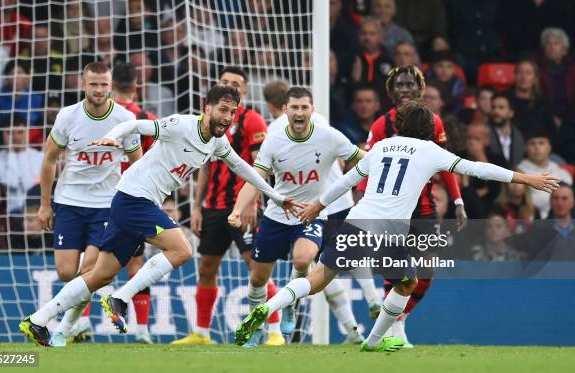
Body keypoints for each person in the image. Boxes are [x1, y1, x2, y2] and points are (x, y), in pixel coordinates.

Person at [235, 100, 559, 352]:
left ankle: (268, 306)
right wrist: (525, 177)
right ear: (428, 129)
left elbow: (348, 179)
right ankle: (374, 341)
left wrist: (318, 205)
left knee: (319, 276)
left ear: (400, 125)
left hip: (358, 220)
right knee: (407, 283)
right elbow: (477, 169)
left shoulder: (381, 147)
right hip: (390, 230)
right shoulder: (431, 150)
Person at [19, 85, 300, 347]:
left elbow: (244, 168)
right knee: (182, 250)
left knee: (100, 275)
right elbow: (136, 125)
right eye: (222, 110)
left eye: (232, 112)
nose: (227, 117)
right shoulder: (181, 125)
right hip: (133, 198)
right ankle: (120, 298)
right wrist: (114, 136)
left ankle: (37, 321)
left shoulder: (217, 143)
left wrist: (276, 196)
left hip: (132, 201)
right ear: (208, 108)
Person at [227, 87, 366, 348]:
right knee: (258, 278)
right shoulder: (274, 139)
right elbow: (255, 179)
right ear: (286, 110)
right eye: (295, 108)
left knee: (303, 259)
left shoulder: (330, 137)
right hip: (277, 215)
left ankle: (291, 302)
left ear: (312, 110)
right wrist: (237, 209)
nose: (299, 113)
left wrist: (389, 164)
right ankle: (256, 330)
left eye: (304, 108)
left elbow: (363, 160)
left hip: (311, 214)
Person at [354, 65, 466, 347]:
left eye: (409, 84)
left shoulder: (433, 122)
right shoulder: (381, 125)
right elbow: (366, 166)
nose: (405, 89)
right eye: (399, 85)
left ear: (420, 89)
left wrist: (457, 200)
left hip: (424, 206)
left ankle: (398, 319)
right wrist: (360, 194)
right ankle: (393, 331)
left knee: (427, 268)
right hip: (391, 207)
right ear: (391, 92)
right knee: (396, 267)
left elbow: (447, 164)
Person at [33, 62, 143, 347]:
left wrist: (136, 202)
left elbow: (138, 164)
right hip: (69, 201)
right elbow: (48, 159)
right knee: (65, 272)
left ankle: (65, 330)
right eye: (93, 84)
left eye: (103, 84)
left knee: (89, 272)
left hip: (107, 205)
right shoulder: (68, 116)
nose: (98, 90)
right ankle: (79, 319)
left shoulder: (124, 118)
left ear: (111, 86)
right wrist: (45, 204)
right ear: (84, 85)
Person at [171, 68, 282, 346]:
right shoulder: (208, 121)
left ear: (243, 92)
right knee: (206, 267)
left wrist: (253, 202)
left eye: (236, 84)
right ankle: (201, 332)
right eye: (225, 82)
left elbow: (260, 167)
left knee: (256, 269)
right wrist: (197, 207)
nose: (230, 86)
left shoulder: (253, 120)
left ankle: (275, 331)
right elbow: (205, 169)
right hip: (214, 208)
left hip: (242, 206)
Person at [263, 81, 381, 343]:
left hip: (312, 207)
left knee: (320, 267)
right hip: (339, 199)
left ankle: (344, 322)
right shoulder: (318, 118)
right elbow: (340, 156)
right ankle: (367, 307)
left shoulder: (274, 128)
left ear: (274, 107)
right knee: (344, 255)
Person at [111, 62, 158, 344]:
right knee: (137, 265)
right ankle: (142, 330)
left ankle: (77, 324)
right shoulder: (146, 118)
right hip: (136, 196)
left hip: (102, 197)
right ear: (136, 87)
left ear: (111, 85)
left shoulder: (103, 115)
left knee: (91, 264)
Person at [517, 130, 572, 218]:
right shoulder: (518, 173)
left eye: (541, 143)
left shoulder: (563, 174)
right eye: (532, 143)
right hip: (529, 222)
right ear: (525, 148)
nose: (537, 147)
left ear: (549, 147)